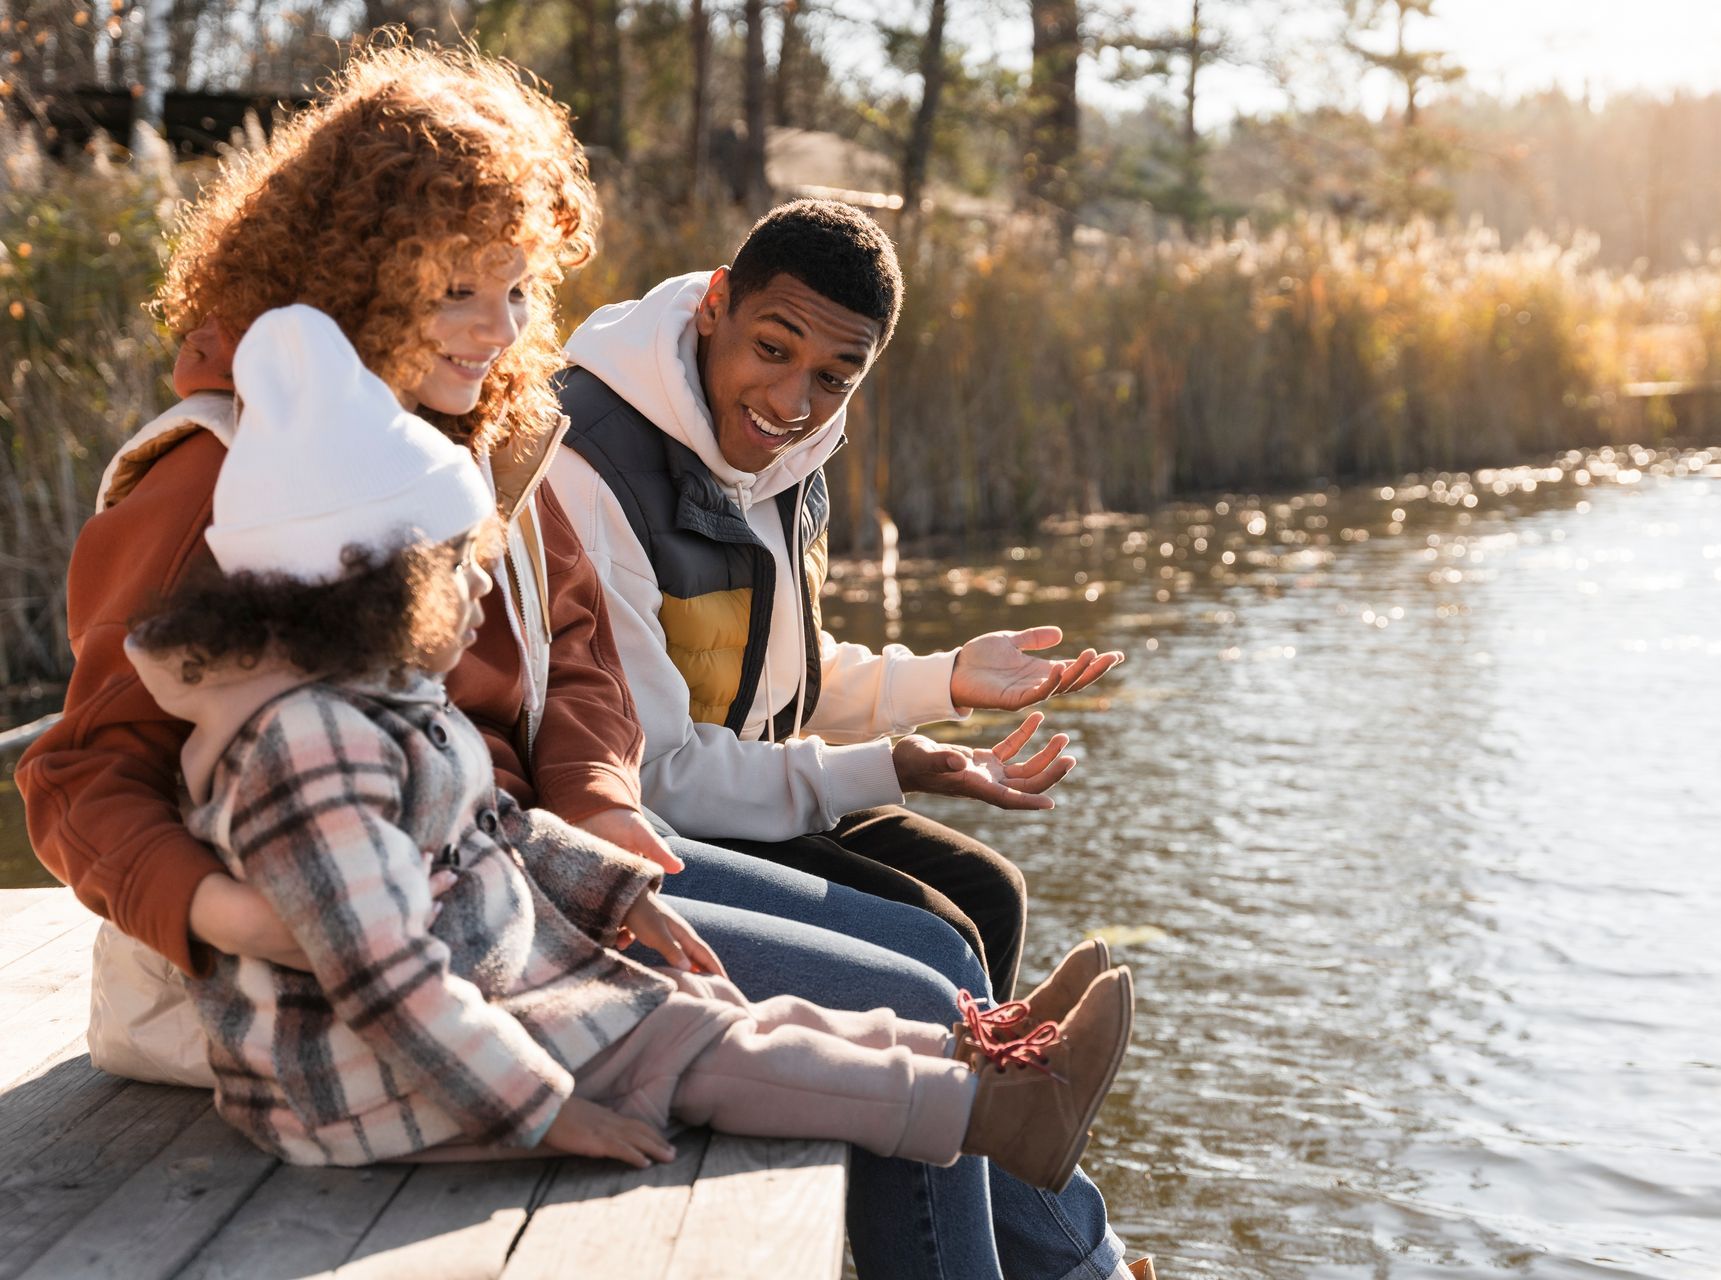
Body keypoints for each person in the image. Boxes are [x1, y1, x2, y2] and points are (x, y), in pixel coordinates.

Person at [17, 44, 1150, 1278]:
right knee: (927, 993)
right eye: (460, 290)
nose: (501, 329)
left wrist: (608, 825)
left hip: (511, 869)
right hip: (311, 966)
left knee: (934, 958)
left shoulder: (483, 437)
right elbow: (81, 777)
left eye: (516, 289)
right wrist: (236, 913)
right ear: (355, 273)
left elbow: (581, 665)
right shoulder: (219, 478)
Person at [125, 303, 1133, 1195]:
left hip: (478, 984)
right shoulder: (313, 749)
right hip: (358, 1083)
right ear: (363, 586)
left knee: (694, 999)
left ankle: (974, 1056)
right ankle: (983, 1113)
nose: (484, 594)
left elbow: (502, 829)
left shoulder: (382, 706)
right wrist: (542, 1108)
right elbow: (389, 984)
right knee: (686, 1042)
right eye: (455, 571)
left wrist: (616, 888)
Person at [549, 199, 1124, 1003]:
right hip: (653, 819)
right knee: (937, 936)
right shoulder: (589, 465)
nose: (790, 403)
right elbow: (655, 773)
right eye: (772, 349)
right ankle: (960, 1111)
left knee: (990, 889)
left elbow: (774, 683)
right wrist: (889, 767)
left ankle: (982, 1103)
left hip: (742, 780)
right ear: (716, 304)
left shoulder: (786, 450)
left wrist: (948, 680)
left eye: (832, 378)